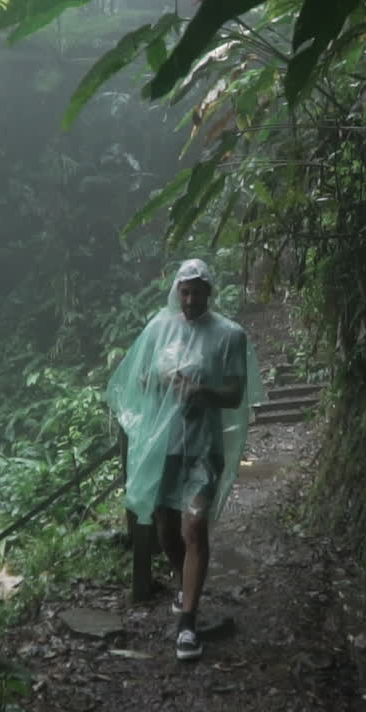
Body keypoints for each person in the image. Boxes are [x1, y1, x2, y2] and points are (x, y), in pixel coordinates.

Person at [106, 259, 262, 661]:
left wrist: (201, 390)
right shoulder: (160, 328)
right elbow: (140, 380)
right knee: (165, 526)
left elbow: (234, 395)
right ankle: (183, 579)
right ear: (177, 290)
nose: (190, 299)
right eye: (184, 291)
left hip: (203, 447)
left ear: (210, 291)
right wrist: (159, 381)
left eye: (197, 291)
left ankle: (187, 625)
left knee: (195, 525)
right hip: (163, 447)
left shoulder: (230, 335)